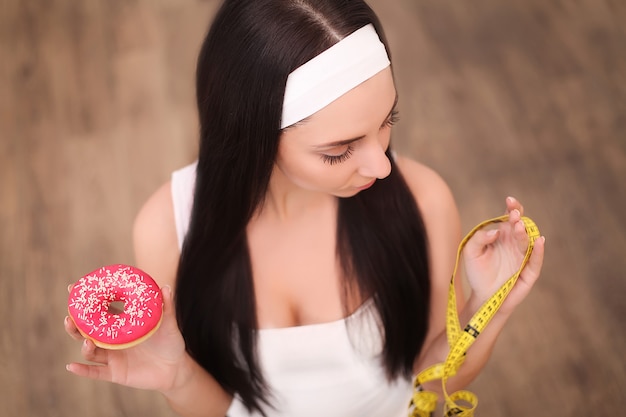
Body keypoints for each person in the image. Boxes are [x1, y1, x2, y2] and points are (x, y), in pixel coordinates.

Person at [64, 0, 545, 416]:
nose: (381, 165)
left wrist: (488, 305)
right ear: (252, 138)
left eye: (387, 120)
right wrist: (177, 377)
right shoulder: (169, 226)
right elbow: (222, 407)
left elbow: (432, 383)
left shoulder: (424, 201)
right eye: (339, 149)